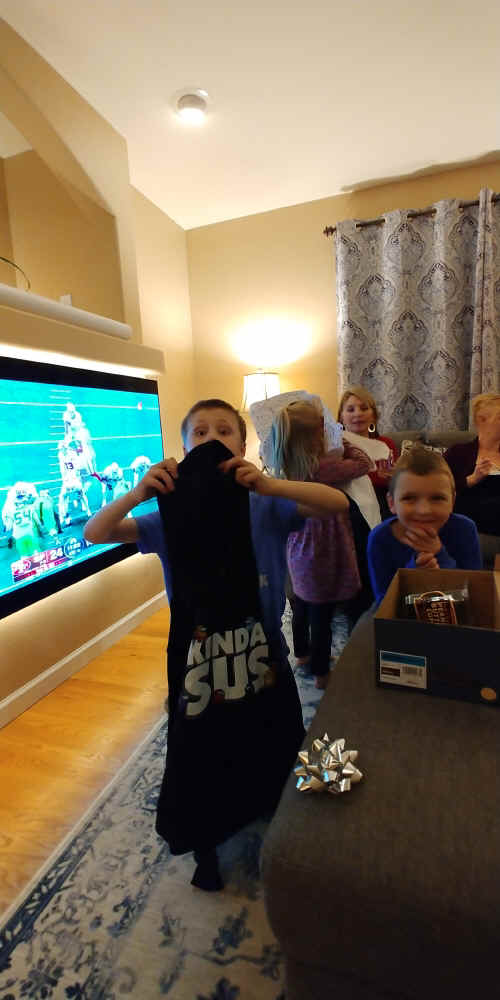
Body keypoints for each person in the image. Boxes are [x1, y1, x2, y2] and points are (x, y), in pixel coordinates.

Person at [84, 398, 349, 891]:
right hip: (200, 660)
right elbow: (96, 532)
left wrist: (269, 484)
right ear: (184, 448)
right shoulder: (171, 516)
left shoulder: (265, 504)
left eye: (224, 431)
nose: (211, 439)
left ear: (242, 446)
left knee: (273, 731)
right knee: (206, 750)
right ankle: (209, 828)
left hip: (264, 645)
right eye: (200, 432)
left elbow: (336, 504)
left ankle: (273, 799)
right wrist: (137, 493)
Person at [269, 397, 372, 688]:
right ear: (317, 437)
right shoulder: (324, 467)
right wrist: (345, 441)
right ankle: (322, 673)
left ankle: (302, 654)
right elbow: (364, 463)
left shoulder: (284, 468)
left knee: (300, 603)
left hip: (298, 548)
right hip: (325, 548)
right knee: (322, 612)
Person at [367, 447, 482, 604]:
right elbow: (384, 601)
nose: (424, 510)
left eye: (437, 498)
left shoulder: (465, 529)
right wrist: (415, 572)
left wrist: (439, 554)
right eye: (409, 498)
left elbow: (473, 593)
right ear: (392, 503)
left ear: (452, 501)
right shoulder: (380, 538)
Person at [444, 393, 500, 538]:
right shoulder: (458, 453)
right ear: (482, 420)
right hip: (471, 516)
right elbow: (438, 488)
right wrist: (472, 479)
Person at [338, 385, 398, 518]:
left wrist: (392, 479)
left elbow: (396, 484)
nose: (358, 414)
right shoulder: (336, 447)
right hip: (350, 505)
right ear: (341, 417)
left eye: (364, 408)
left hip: (385, 503)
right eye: (350, 409)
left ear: (373, 416)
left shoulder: (386, 444)